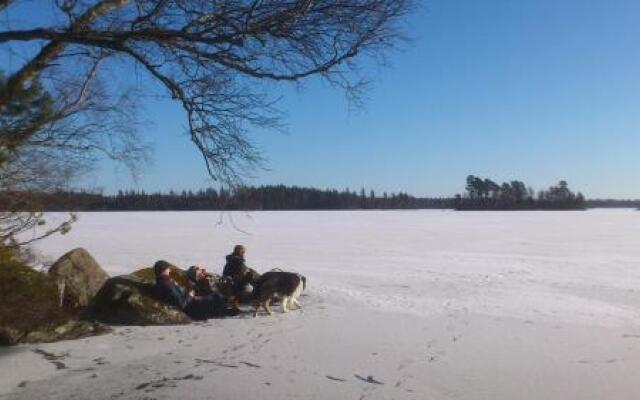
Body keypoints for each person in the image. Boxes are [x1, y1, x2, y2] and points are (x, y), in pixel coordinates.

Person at [154, 261, 236, 319]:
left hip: (190, 303)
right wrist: (190, 295)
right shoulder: (167, 284)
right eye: (168, 269)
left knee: (214, 296)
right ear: (164, 270)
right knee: (215, 297)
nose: (170, 271)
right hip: (191, 309)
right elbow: (182, 304)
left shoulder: (163, 282)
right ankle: (227, 309)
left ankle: (227, 305)